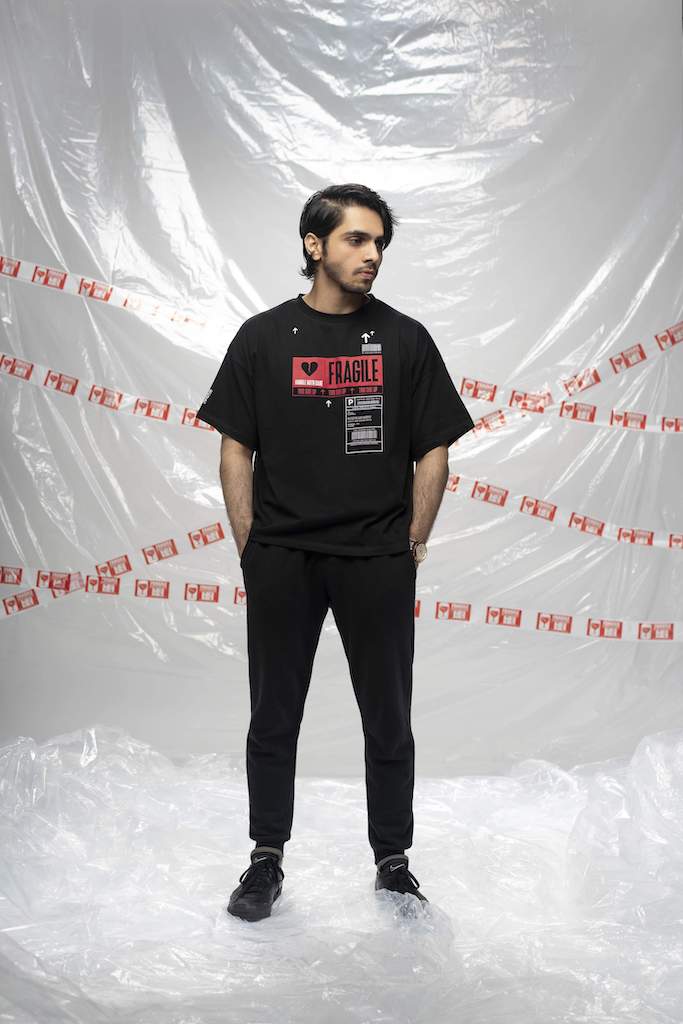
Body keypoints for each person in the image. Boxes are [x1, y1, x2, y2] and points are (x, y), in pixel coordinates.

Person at [195, 183, 475, 921]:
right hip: (283, 556)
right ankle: (265, 859)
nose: (373, 253)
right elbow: (234, 446)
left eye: (380, 241)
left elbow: (434, 448)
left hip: (375, 558)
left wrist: (411, 541)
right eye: (357, 238)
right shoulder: (262, 338)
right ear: (314, 245)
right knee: (273, 714)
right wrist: (252, 545)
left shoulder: (405, 339)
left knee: (388, 717)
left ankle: (393, 862)